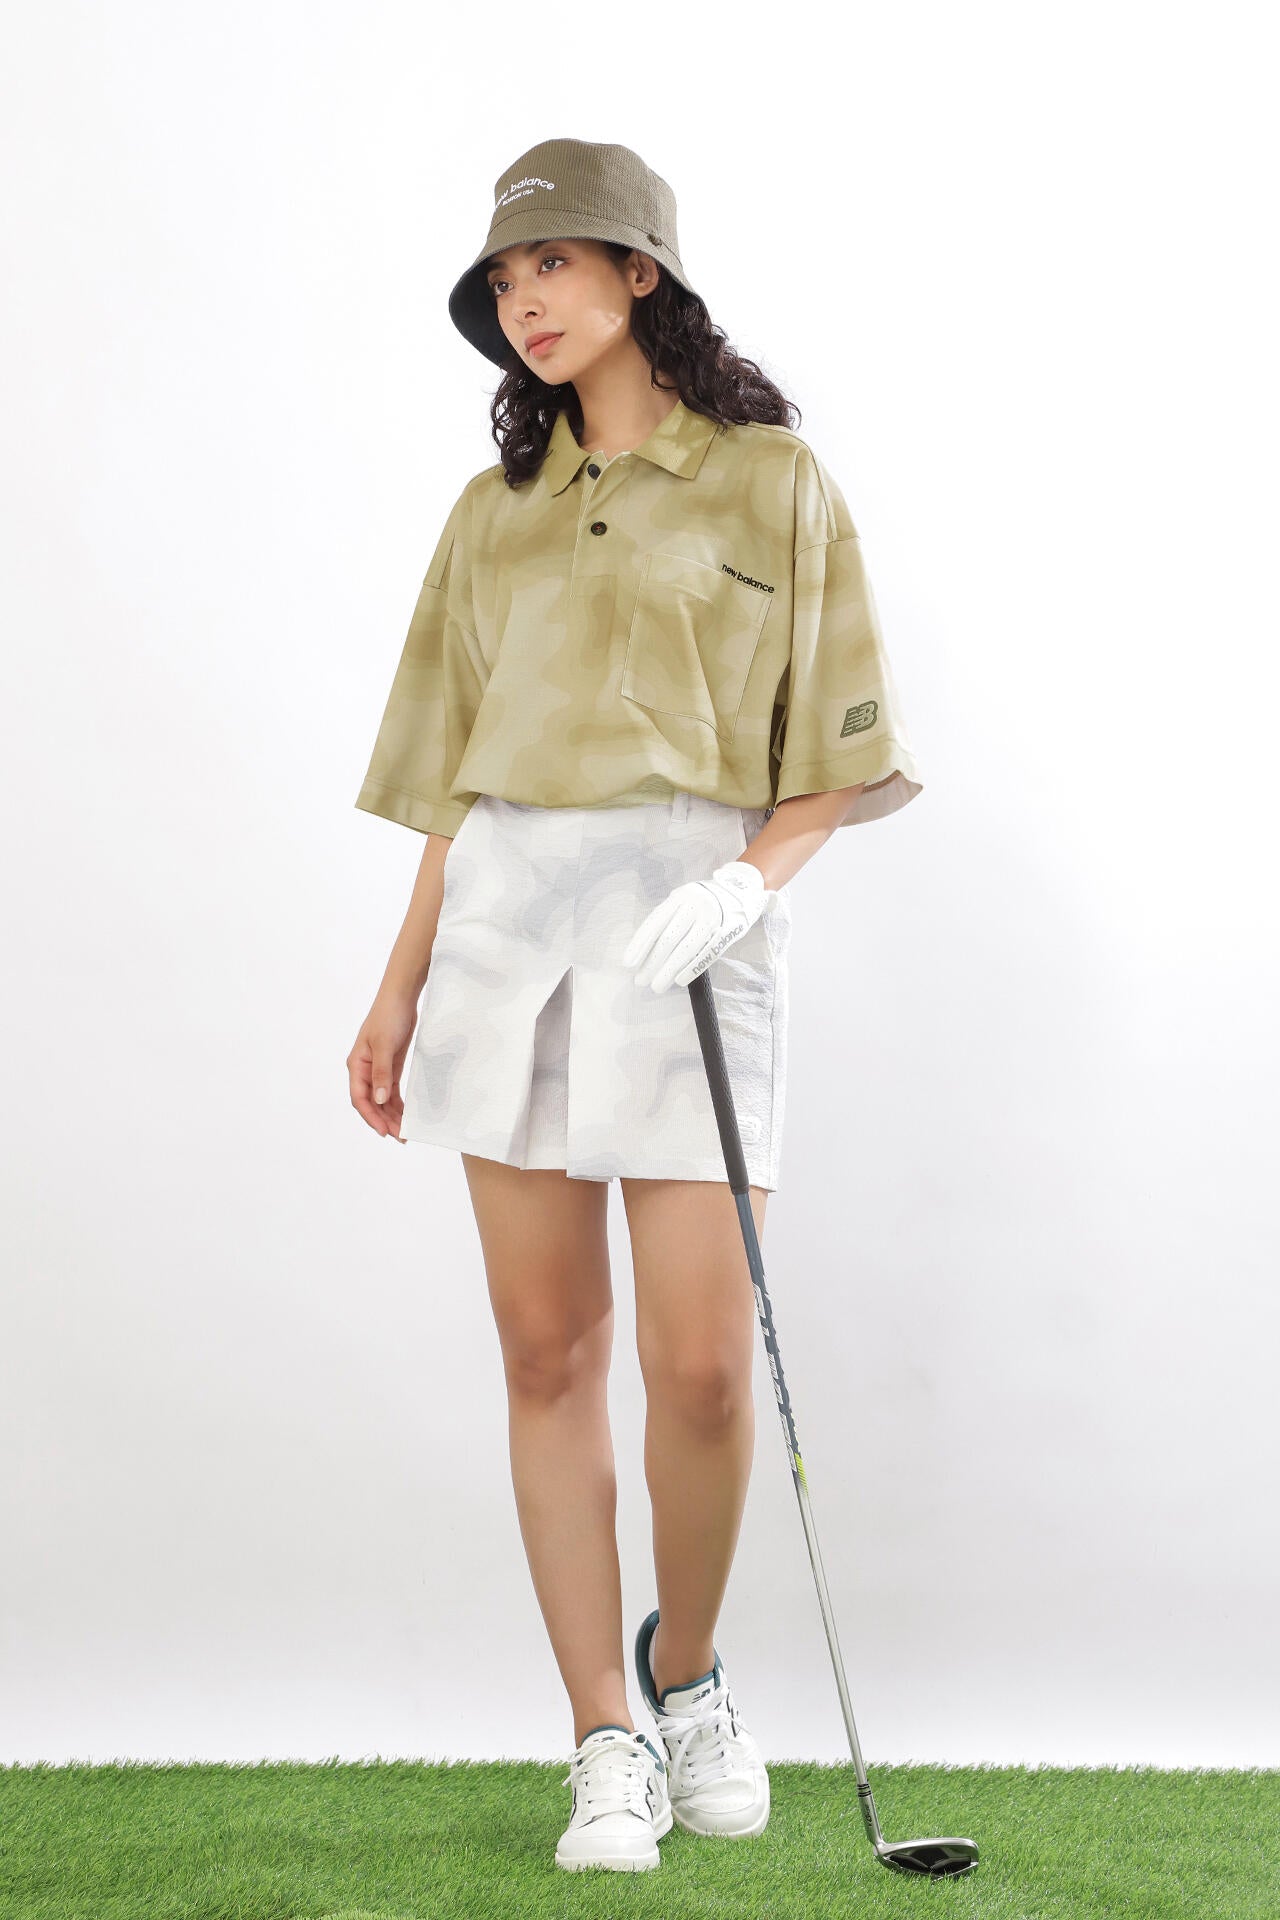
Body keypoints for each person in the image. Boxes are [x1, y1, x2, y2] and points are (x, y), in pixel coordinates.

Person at [346, 137, 923, 1875]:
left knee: (702, 1367)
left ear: (640, 273)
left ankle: (691, 1673)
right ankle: (603, 1732)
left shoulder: (772, 482)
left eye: (555, 265)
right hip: (504, 936)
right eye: (503, 280)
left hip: (692, 930)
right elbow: (453, 785)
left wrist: (749, 884)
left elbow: (837, 751)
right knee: (549, 1352)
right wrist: (396, 987)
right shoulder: (491, 513)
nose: (524, 300)